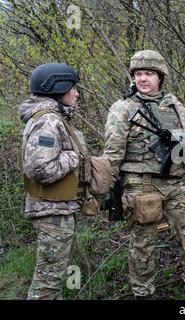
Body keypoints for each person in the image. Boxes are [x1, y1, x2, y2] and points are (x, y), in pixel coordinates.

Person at [103, 50, 185, 299]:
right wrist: (106, 186)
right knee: (143, 244)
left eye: (149, 74)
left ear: (160, 77)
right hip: (140, 184)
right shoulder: (123, 108)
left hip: (176, 182)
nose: (143, 79)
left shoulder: (174, 106)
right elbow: (112, 152)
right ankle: (143, 293)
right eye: (138, 74)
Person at [20, 63, 83, 299]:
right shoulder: (48, 122)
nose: (76, 94)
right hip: (52, 213)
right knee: (47, 284)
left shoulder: (52, 118)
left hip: (56, 210)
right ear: (59, 88)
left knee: (52, 278)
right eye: (73, 88)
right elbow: (40, 168)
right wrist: (72, 156)